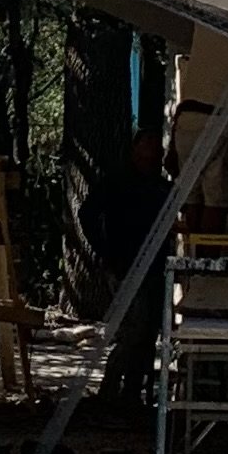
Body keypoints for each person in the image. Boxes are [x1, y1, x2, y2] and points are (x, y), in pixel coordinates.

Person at [90, 130, 169, 417]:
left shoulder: (161, 188)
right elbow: (88, 213)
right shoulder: (117, 183)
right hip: (123, 265)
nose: (151, 156)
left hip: (153, 267)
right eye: (146, 150)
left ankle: (133, 392)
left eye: (155, 151)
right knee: (132, 330)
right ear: (135, 151)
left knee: (147, 331)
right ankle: (111, 390)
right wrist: (104, 249)